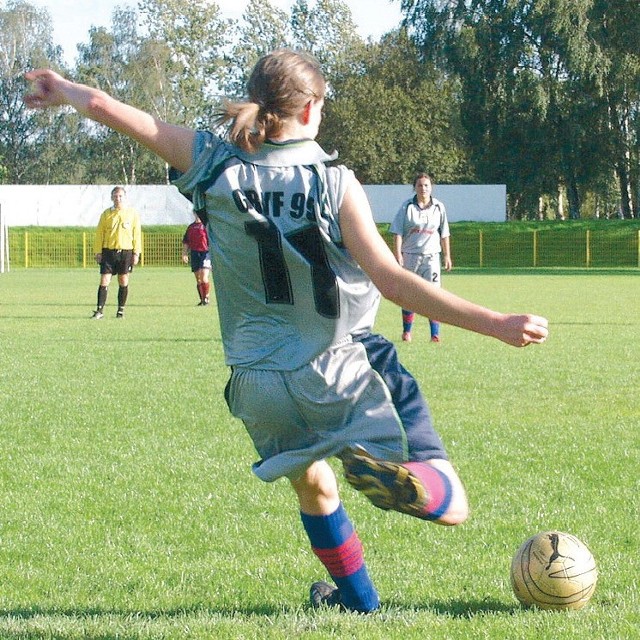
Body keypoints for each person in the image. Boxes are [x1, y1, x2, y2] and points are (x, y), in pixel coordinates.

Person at [25, 50, 548, 613]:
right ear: (313, 106)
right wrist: (496, 323)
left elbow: (110, 108)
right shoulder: (334, 181)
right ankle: (419, 486)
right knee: (455, 503)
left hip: (256, 384)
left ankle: (358, 602)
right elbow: (393, 282)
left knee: (314, 485)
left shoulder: (213, 164)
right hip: (338, 363)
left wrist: (63, 89)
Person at [391, 173, 451, 343]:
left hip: (431, 257)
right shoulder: (407, 207)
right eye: (420, 185)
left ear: (431, 188)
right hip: (410, 256)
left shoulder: (439, 207)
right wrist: (398, 255)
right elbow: (397, 232)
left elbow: (444, 233)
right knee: (409, 294)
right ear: (414, 188)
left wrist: (447, 255)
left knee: (434, 295)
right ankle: (407, 332)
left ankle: (435, 334)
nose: (423, 188)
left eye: (426, 185)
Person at [90, 186, 142, 319]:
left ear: (125, 197)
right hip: (108, 251)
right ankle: (99, 310)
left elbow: (136, 234)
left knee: (123, 280)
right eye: (115, 196)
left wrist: (136, 253)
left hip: (126, 251)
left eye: (120, 196)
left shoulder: (132, 214)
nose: (117, 199)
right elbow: (99, 234)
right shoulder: (106, 214)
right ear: (111, 198)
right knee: (104, 279)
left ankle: (120, 310)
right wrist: (97, 251)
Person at [182, 212, 212, 306]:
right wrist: (184, 253)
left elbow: (211, 240)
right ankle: (202, 299)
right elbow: (186, 241)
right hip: (195, 253)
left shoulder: (206, 226)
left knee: (204, 277)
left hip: (205, 253)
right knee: (198, 279)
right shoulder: (191, 227)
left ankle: (206, 298)